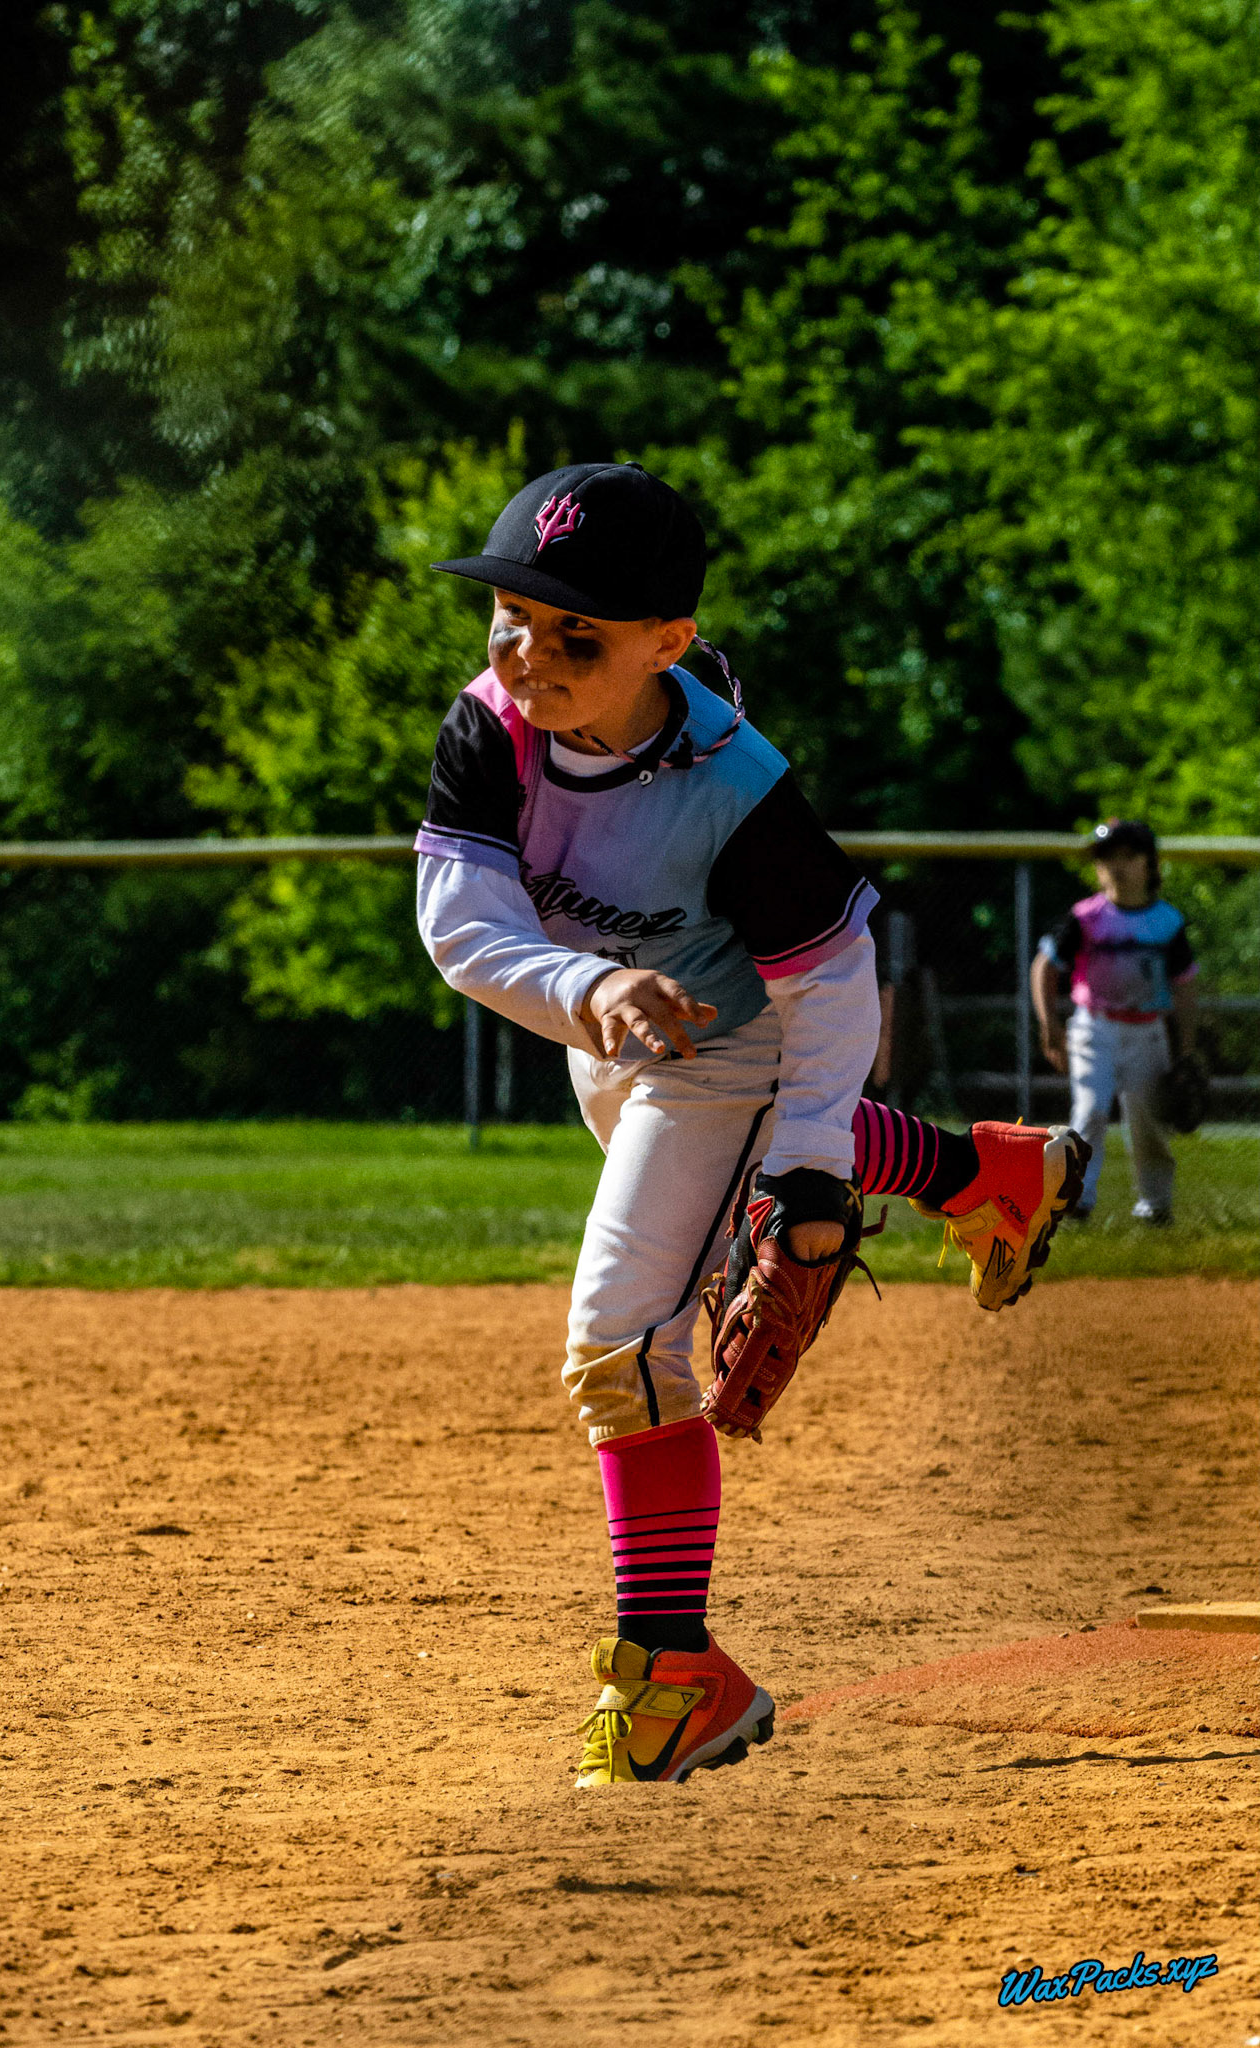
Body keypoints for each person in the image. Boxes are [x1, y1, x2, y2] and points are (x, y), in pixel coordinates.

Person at [414, 461, 1088, 1786]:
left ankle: (675, 1678)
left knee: (621, 1343)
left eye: (576, 633)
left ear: (666, 644)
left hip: (739, 1044)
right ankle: (988, 1175)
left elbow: (833, 987)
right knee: (686, 1252)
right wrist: (591, 985)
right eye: (510, 616)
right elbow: (460, 929)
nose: (528, 653)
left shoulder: (735, 787)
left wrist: (809, 1167)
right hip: (620, 1029)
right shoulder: (490, 728)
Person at [1032, 818, 1197, 1225]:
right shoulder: (1086, 917)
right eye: (1107, 858)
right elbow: (1044, 967)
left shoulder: (1167, 921)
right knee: (1089, 1111)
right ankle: (1076, 1200)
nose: (1117, 867)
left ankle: (1155, 1206)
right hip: (1095, 1027)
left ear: (1149, 864)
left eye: (1129, 856)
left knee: (1148, 1120)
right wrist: (1050, 1024)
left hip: (1147, 1030)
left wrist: (1188, 1048)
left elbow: (1185, 985)